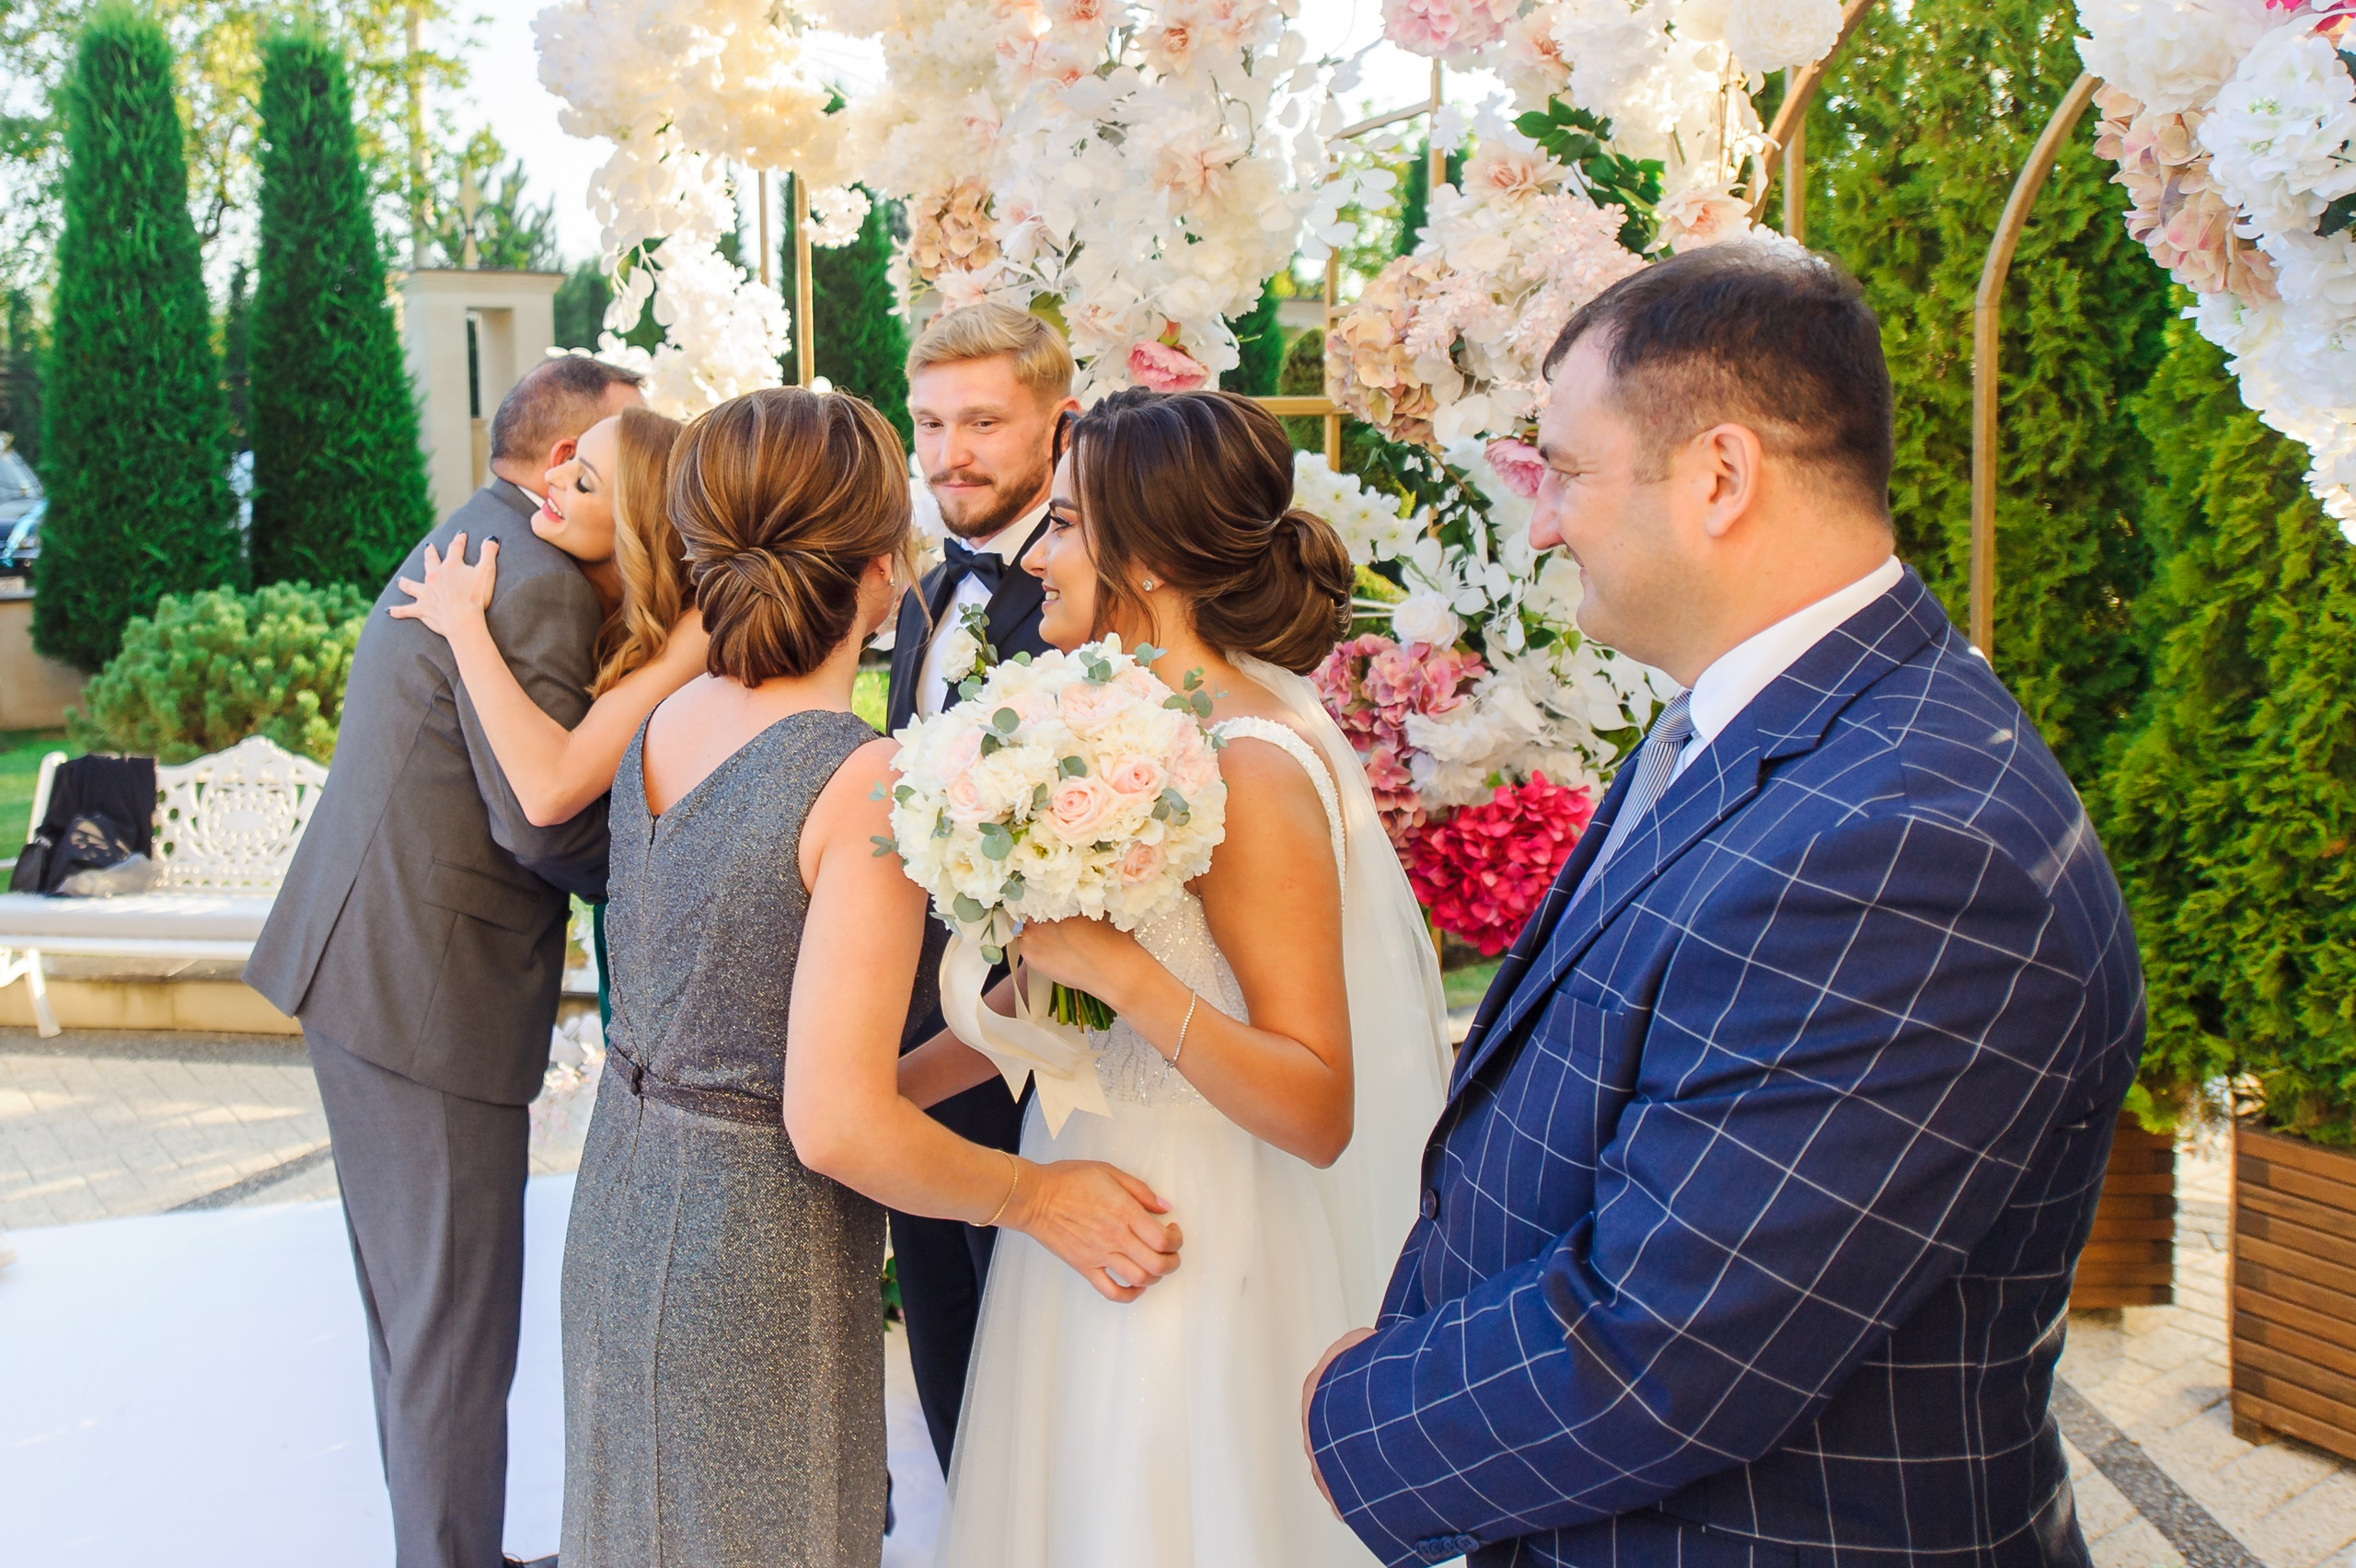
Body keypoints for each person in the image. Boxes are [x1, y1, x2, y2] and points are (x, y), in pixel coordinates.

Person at [1301, 243, 2146, 1566]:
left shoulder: (1908, 847)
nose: (1541, 521)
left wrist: (1353, 1412)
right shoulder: (1763, 720)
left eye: (1567, 472)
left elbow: (1669, 1345)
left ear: (1719, 476)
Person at [559, 386, 1184, 1567]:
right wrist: (1038, 1198)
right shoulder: (862, 782)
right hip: (752, 1251)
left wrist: (1006, 1022)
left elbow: (752, 1029)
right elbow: (834, 1120)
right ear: (883, 567)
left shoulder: (669, 715)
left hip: (621, 1205)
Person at [898, 388, 1453, 1566]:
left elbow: (1315, 1107)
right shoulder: (1114, 728)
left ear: (1144, 557)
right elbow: (1050, 1009)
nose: (1038, 557)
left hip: (1200, 1246)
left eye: (1062, 525)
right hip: (1087, 1200)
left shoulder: (1248, 765)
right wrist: (874, 1096)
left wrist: (1122, 973)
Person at [244, 353, 647, 1568]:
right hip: (422, 993)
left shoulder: (487, 546)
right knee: (452, 1325)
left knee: (424, 1320)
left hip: (376, 970)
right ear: (565, 461)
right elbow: (542, 817)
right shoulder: (531, 581)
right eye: (634, 453)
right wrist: (674, 858)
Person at [884, 303, 1080, 1472]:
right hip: (917, 1019)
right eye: (929, 422)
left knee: (1036, 1361)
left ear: (1058, 424)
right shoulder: (922, 583)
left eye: (982, 422)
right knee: (947, 1345)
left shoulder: (1093, 591)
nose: (949, 452)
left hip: (1039, 1039)